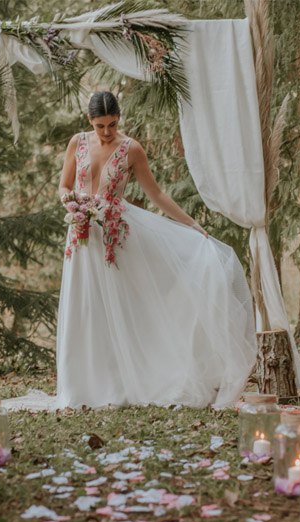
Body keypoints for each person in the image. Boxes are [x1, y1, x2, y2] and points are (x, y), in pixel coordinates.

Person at [55, 91, 257, 409]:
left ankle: (122, 381)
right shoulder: (76, 143)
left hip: (114, 236)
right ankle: (81, 386)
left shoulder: (131, 149)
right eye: (99, 126)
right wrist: (72, 202)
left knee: (119, 309)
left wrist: (192, 225)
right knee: (85, 308)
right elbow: (64, 185)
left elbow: (157, 194)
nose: (106, 132)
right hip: (81, 236)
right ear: (89, 121)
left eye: (112, 124)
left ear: (119, 119)